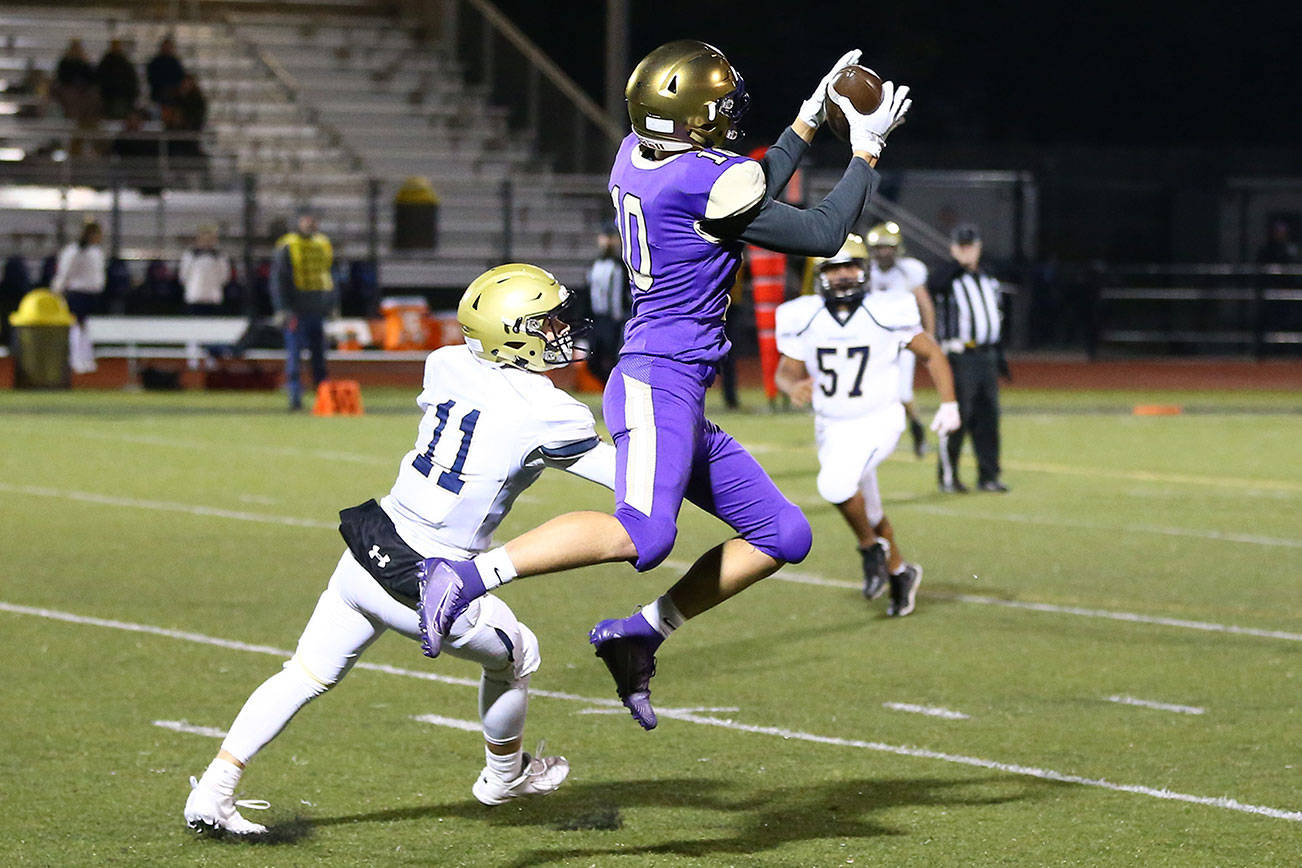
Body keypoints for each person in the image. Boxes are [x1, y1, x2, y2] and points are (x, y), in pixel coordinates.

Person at [415, 40, 912, 731]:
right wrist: (866, 149)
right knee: (644, 535)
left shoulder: (635, 157)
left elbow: (744, 190)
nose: (729, 114)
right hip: (656, 381)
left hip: (674, 387)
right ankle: (465, 577)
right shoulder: (703, 182)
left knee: (782, 534)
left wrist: (805, 121)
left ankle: (640, 633)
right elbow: (823, 232)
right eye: (719, 106)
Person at [184, 263, 607, 836]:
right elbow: (625, 475)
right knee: (518, 655)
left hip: (373, 541)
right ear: (515, 332)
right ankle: (504, 775)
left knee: (305, 672)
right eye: (548, 320)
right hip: (428, 573)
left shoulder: (446, 363)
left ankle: (214, 789)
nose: (560, 329)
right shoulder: (548, 408)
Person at [774, 234, 958, 616]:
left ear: (864, 270)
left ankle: (870, 549)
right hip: (831, 425)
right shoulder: (802, 315)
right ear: (821, 273)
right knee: (869, 511)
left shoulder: (886, 310)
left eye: (850, 266)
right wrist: (794, 387)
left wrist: (949, 402)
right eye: (835, 267)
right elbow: (785, 372)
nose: (843, 276)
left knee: (834, 484)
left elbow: (931, 353)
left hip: (879, 419)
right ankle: (900, 572)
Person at [933, 223, 1008, 493]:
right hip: (960, 356)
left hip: (986, 355)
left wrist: (1000, 358)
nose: (966, 252)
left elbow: (996, 316)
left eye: (970, 246)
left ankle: (989, 476)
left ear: (978, 247)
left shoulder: (988, 277)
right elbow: (936, 283)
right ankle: (948, 477)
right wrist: (958, 263)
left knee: (989, 418)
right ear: (953, 249)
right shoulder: (949, 278)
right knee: (958, 416)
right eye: (961, 247)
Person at [866, 221, 935, 458]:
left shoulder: (909, 271)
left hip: (905, 340)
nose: (884, 252)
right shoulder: (867, 272)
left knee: (903, 393)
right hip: (878, 343)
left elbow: (925, 305)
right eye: (880, 247)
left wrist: (930, 338)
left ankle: (917, 429)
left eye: (888, 247)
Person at [270, 211, 334, 410]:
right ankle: (295, 398)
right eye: (306, 219)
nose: (310, 223)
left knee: (319, 358)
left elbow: (329, 275)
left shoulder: (322, 244)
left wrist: (331, 304)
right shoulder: (288, 246)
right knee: (295, 357)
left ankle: (324, 400)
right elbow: (278, 279)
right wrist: (282, 308)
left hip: (317, 309)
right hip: (296, 311)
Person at [50, 222, 105, 374]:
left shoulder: (96, 252)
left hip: (90, 293)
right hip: (77, 292)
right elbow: (64, 272)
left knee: (85, 326)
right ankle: (75, 359)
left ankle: (86, 358)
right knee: (76, 326)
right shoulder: (74, 251)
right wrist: (57, 290)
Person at [584, 226, 627, 382]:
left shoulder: (620, 265)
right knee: (593, 359)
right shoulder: (594, 265)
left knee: (613, 356)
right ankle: (606, 386)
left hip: (615, 320)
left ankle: (613, 389)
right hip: (598, 318)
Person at [179, 225, 231, 313]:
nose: (206, 242)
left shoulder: (220, 256)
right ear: (198, 240)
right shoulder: (189, 255)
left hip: (213, 297)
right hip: (195, 296)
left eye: (210, 239)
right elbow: (184, 275)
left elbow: (224, 276)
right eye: (203, 239)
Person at [97, 39, 139, 120]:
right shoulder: (106, 62)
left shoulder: (126, 63)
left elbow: (132, 79)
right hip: (110, 94)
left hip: (124, 94)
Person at [147, 36, 186, 106]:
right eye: (165, 47)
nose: (167, 49)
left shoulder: (175, 63)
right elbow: (151, 77)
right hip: (159, 94)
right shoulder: (155, 62)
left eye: (169, 47)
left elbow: (180, 77)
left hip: (172, 95)